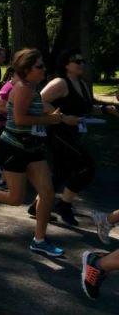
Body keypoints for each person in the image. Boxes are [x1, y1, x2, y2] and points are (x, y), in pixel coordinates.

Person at [0, 48, 78, 257]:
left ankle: (39, 240)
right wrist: (50, 120)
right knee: (16, 198)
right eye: (39, 66)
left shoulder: (32, 88)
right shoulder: (23, 88)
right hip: (14, 147)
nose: (44, 69)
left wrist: (60, 117)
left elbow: (42, 108)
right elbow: (21, 119)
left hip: (32, 147)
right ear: (27, 69)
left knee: (48, 193)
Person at [34, 49, 117, 225]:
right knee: (86, 167)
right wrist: (63, 117)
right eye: (76, 61)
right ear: (66, 64)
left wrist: (103, 110)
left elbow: (85, 108)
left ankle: (36, 206)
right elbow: (38, 100)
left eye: (82, 61)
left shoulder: (82, 84)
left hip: (73, 134)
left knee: (60, 173)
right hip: (58, 133)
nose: (81, 64)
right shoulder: (60, 83)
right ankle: (64, 205)